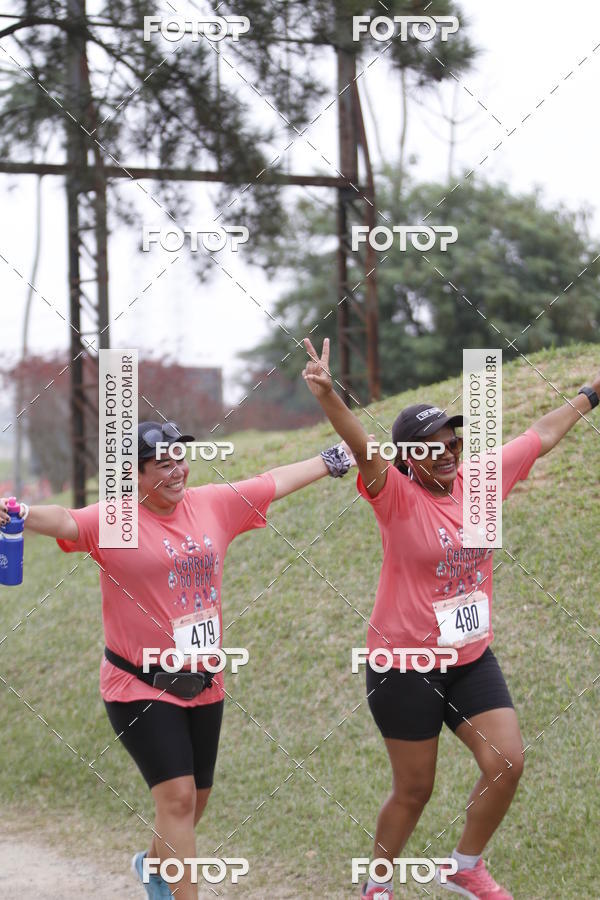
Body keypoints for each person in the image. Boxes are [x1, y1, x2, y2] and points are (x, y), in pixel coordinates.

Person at [0, 419, 356, 900]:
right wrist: (17, 511)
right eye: (162, 464)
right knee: (178, 798)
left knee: (195, 802)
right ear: (135, 474)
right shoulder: (116, 520)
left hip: (203, 681)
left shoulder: (212, 504)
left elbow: (273, 481)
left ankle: (153, 866)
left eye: (180, 460)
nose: (176, 471)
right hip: (138, 684)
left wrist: (333, 459)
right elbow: (64, 519)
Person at [302, 337, 599, 900]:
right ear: (408, 457)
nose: (445, 452)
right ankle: (377, 884)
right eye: (430, 447)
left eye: (450, 442)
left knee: (507, 762)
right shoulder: (394, 495)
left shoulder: (481, 483)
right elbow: (363, 448)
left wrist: (591, 393)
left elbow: (544, 434)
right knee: (414, 790)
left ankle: (463, 865)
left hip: (469, 656)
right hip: (405, 662)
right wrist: (328, 398)